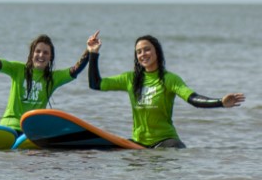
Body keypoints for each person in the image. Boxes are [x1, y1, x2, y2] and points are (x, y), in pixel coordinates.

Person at [86, 32, 245, 148]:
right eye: (139, 52)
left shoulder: (169, 79)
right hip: (138, 143)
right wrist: (93, 53)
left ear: (157, 52)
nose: (143, 54)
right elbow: (96, 84)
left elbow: (193, 99)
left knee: (175, 150)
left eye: (147, 49)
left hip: (165, 141)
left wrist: (220, 102)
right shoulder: (130, 79)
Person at [0, 34, 91, 129]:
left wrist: (89, 50)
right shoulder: (18, 69)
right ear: (31, 54)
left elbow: (75, 70)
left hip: (31, 130)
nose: (41, 55)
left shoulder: (53, 78)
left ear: (50, 57)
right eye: (38, 51)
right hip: (9, 127)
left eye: (46, 52)